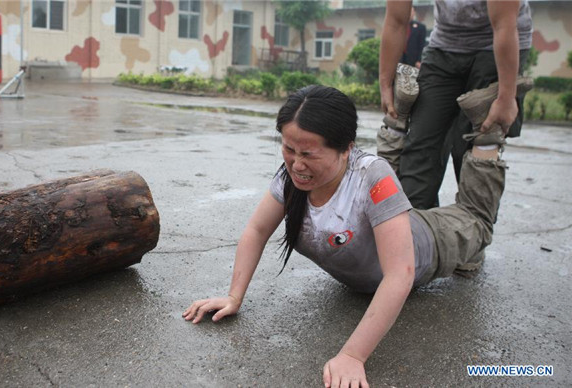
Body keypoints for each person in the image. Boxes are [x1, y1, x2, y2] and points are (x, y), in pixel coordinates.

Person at [183, 85, 509, 387]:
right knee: (389, 190)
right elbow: (256, 231)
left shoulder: (372, 175)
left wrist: (353, 355)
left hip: (433, 240)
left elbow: (400, 274)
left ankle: (487, 138)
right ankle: (397, 120)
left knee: (477, 221)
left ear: (346, 149)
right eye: (288, 148)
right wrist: (234, 296)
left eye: (309, 154)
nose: (296, 164)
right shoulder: (292, 176)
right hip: (388, 224)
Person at [379, 0, 533, 209]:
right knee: (420, 142)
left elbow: (504, 25)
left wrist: (506, 98)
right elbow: (397, 21)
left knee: (475, 144)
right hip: (445, 46)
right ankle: (415, 227)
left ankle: (473, 229)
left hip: (497, 44)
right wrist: (385, 82)